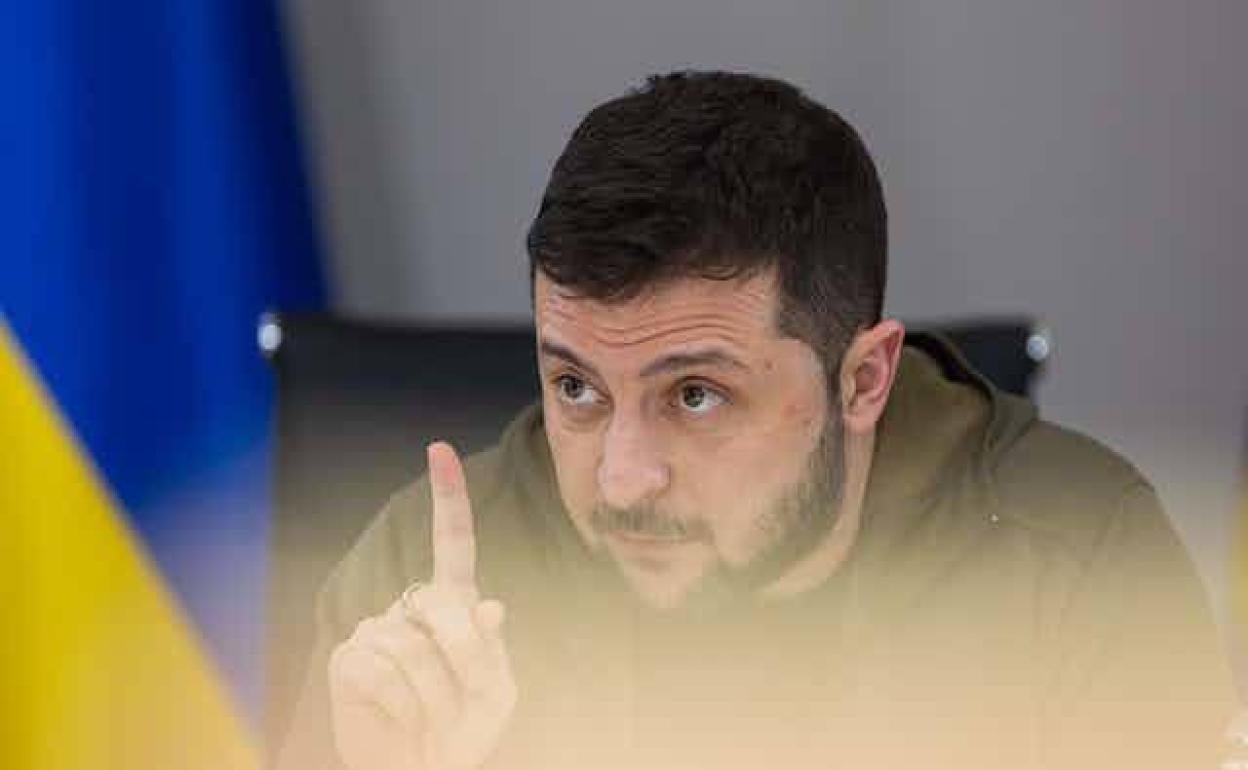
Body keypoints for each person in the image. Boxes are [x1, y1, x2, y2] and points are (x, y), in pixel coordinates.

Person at [275, 71, 1234, 770]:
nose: (621, 479)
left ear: (863, 382)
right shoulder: (425, 591)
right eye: (576, 388)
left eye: (695, 395)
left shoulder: (1079, 561)